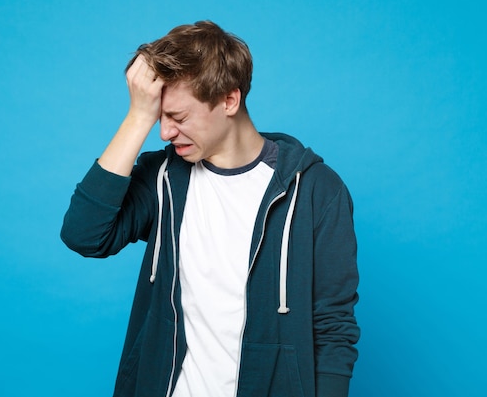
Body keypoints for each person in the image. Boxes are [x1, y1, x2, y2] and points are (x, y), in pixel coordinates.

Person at [61, 20, 359, 397]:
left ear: (229, 101)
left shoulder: (316, 190)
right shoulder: (164, 179)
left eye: (178, 117)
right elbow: (84, 235)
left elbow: (334, 328)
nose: (165, 133)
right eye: (158, 117)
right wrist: (138, 116)